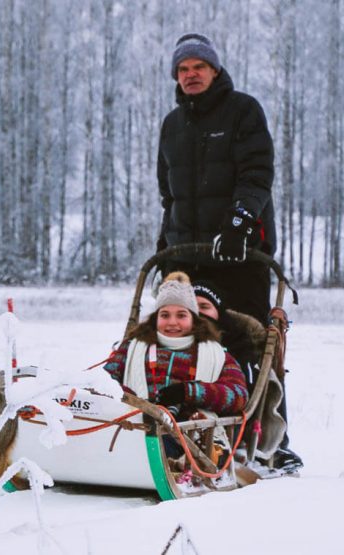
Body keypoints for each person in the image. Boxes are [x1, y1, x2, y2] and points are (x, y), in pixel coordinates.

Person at [156, 33, 276, 326]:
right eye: (183, 69)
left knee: (245, 339)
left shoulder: (243, 110)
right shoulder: (172, 125)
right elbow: (169, 196)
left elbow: (256, 176)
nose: (191, 74)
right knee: (181, 344)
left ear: (215, 70)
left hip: (238, 255)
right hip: (185, 261)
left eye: (199, 66)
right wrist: (164, 247)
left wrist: (238, 223)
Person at [104, 272, 248, 420]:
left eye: (181, 315)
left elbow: (238, 395)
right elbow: (105, 382)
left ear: (194, 320)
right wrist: (131, 398)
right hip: (135, 424)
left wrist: (188, 392)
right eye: (165, 315)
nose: (172, 322)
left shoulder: (217, 355)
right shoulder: (132, 347)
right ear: (156, 318)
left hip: (190, 432)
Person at [193, 280, 303, 473]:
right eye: (192, 307)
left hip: (223, 416)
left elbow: (242, 394)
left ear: (219, 312)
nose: (198, 313)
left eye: (204, 306)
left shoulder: (238, 347)